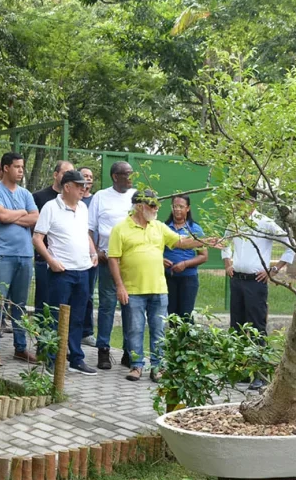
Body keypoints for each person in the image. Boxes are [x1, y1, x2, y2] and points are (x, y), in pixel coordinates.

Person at [108, 190, 218, 382]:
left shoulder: (158, 227)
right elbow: (113, 259)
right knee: (135, 329)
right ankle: (136, 366)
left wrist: (203, 241)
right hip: (133, 290)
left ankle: (157, 368)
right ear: (140, 207)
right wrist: (120, 286)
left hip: (159, 289)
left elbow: (181, 242)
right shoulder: (120, 229)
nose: (157, 208)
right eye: (152, 205)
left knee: (159, 329)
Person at [33, 170, 99, 375]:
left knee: (78, 317)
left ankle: (76, 358)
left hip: (83, 270)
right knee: (54, 316)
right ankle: (50, 358)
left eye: (85, 185)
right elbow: (37, 238)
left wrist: (93, 252)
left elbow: (85, 234)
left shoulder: (82, 208)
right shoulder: (51, 207)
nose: (84, 189)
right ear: (67, 186)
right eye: (80, 186)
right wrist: (51, 261)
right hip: (61, 272)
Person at [221, 207, 295, 389]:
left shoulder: (265, 222)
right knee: (236, 326)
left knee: (256, 327)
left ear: (252, 201)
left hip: (256, 281)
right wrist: (228, 263)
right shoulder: (235, 220)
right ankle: (239, 370)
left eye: (243, 199)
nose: (239, 203)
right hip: (236, 279)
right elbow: (225, 243)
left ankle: (260, 374)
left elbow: (290, 243)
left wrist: (274, 270)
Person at [0, 152, 39, 366]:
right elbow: (1, 216)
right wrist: (21, 213)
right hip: (1, 255)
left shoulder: (25, 193)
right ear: (6, 168)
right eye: (16, 166)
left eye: (22, 167)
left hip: (25, 255)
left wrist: (13, 215)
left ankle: (21, 348)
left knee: (20, 304)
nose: (20, 170)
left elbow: (36, 217)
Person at [88, 161, 136, 370]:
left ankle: (129, 351)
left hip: (131, 261)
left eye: (131, 174)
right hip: (108, 260)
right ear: (115, 177)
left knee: (131, 306)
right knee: (107, 305)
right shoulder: (100, 196)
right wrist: (96, 252)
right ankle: (104, 351)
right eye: (126, 174)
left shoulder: (136, 196)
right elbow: (89, 229)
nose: (130, 178)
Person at [32, 161, 73, 312]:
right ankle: (40, 333)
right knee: (43, 298)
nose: (68, 177)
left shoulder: (75, 201)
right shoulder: (39, 197)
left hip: (68, 259)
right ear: (56, 175)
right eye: (65, 173)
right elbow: (33, 227)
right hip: (45, 257)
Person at [163, 195, 208, 321]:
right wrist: (161, 261)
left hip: (188, 278)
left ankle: (188, 341)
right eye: (175, 206)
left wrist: (185, 264)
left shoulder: (195, 229)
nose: (177, 210)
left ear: (187, 208)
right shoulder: (163, 228)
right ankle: (174, 340)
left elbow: (203, 256)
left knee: (185, 315)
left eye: (181, 207)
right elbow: (155, 251)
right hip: (168, 277)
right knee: (171, 314)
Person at [79, 167, 98, 346]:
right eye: (85, 176)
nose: (88, 179)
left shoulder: (95, 200)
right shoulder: (72, 201)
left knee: (89, 295)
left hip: (93, 255)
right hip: (74, 256)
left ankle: (87, 332)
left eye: (91, 177)